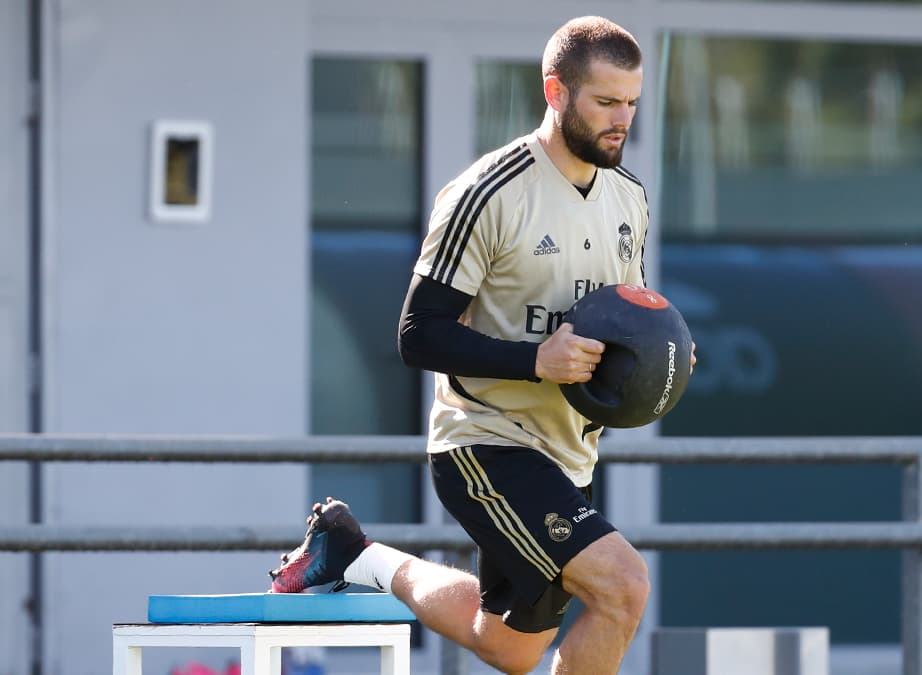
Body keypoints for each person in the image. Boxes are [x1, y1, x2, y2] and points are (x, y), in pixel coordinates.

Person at [270, 16, 694, 675]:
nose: (623, 119)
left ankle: (356, 554)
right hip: (486, 442)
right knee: (622, 586)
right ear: (555, 92)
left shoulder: (629, 198)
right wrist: (535, 360)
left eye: (633, 102)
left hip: (568, 453)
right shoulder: (487, 193)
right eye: (606, 101)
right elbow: (417, 335)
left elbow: (628, 319)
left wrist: (667, 358)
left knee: (509, 647)